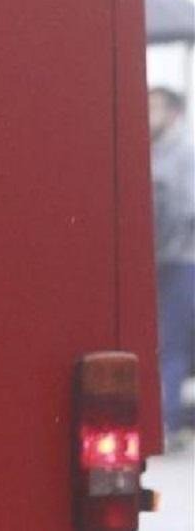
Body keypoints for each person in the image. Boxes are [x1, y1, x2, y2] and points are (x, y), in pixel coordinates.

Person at [148, 86, 195, 449]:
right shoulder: (155, 150)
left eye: (157, 107)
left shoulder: (183, 154)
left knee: (172, 343)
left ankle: (169, 420)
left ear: (174, 112)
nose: (150, 113)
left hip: (178, 260)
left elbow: (186, 211)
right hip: (162, 260)